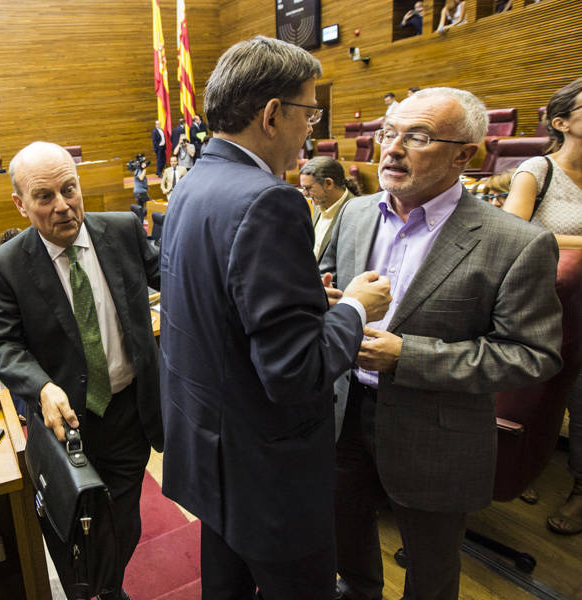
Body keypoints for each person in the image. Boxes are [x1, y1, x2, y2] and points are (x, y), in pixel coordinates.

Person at [159, 36, 392, 599]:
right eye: (309, 113)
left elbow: (219, 303)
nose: (310, 130)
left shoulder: (191, 183)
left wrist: (303, 299)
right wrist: (358, 308)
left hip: (212, 454)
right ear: (271, 115)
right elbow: (295, 371)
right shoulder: (271, 200)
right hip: (269, 475)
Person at [320, 88, 563, 600]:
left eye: (418, 137)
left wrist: (408, 356)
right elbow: (332, 287)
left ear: (464, 155)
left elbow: (533, 355)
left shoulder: (515, 243)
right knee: (347, 546)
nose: (392, 149)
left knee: (430, 572)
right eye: (389, 133)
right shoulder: (355, 213)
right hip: (342, 416)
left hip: (437, 432)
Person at [0, 142, 162, 600]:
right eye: (45, 197)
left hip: (129, 413)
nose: (63, 206)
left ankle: (105, 588)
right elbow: (3, 345)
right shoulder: (6, 266)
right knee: (75, 529)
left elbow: (179, 277)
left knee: (124, 522)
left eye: (69, 189)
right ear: (20, 205)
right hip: (65, 428)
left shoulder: (122, 230)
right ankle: (98, 590)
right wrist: (40, 386)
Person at [503, 76, 582, 535]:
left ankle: (578, 489)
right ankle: (523, 465)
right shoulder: (539, 168)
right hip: (545, 303)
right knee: (536, 391)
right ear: (561, 123)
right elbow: (515, 230)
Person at [299, 156, 359, 261]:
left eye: (308, 188)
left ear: (328, 183)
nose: (304, 193)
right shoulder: (319, 203)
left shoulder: (357, 214)